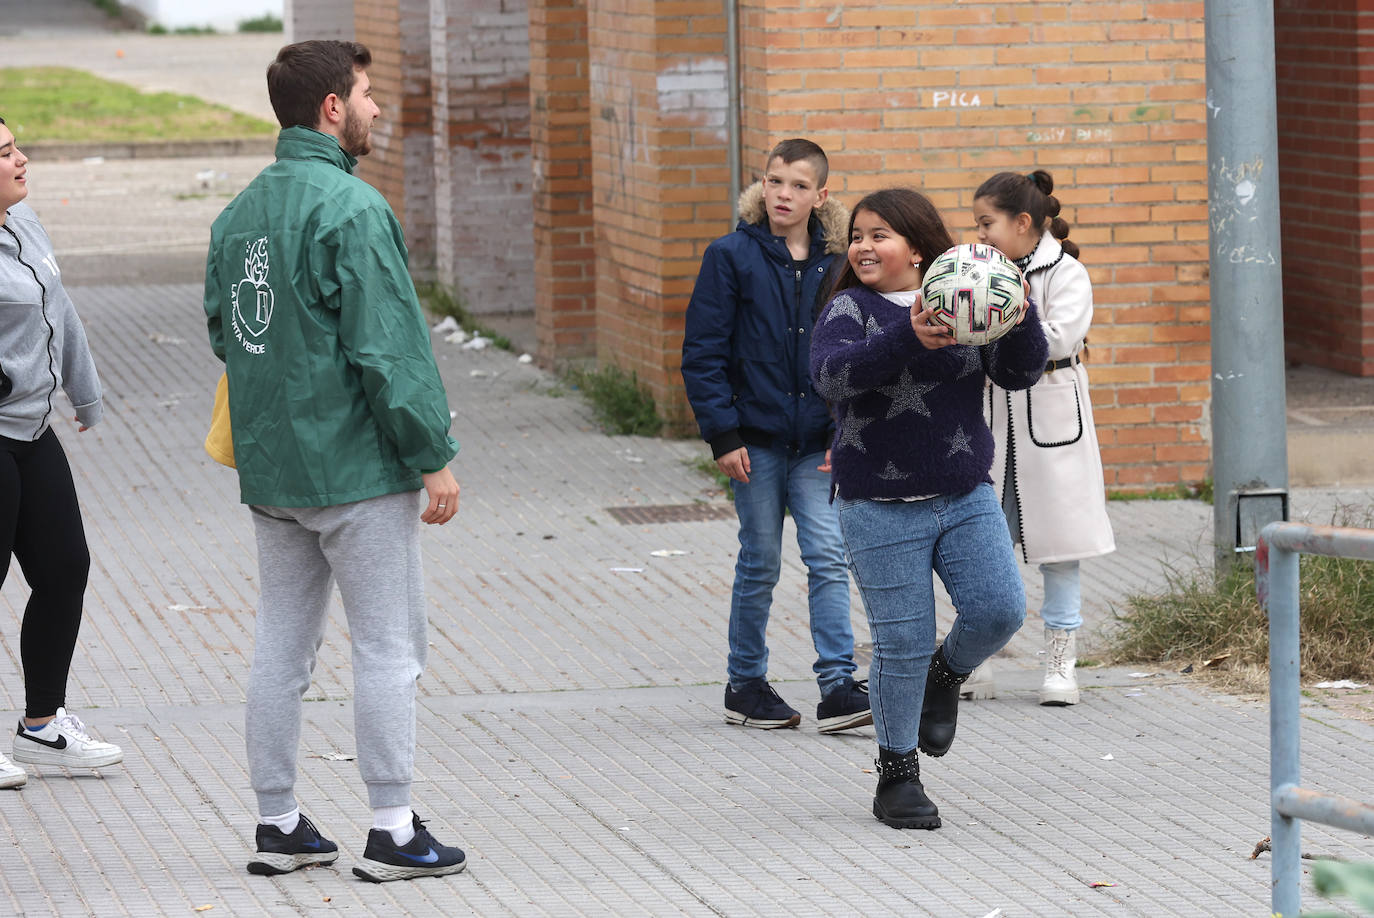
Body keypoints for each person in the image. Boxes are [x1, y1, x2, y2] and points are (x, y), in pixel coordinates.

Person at [203, 41, 466, 881]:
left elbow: (226, 333)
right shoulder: (352, 209)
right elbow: (390, 350)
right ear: (330, 109)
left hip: (274, 472)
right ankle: (392, 828)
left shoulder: (238, 212)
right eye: (365, 93)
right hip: (357, 471)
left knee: (281, 649)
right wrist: (434, 458)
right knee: (390, 648)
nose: (377, 108)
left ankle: (277, 821)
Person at [809, 188, 1047, 829]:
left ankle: (948, 673)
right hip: (877, 504)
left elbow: (1021, 373)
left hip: (964, 493)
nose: (863, 246)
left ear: (917, 247)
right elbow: (829, 378)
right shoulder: (849, 310)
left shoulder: (966, 296)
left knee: (1001, 610)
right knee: (901, 640)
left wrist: (1016, 307)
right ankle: (897, 777)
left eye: (879, 234)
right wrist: (908, 338)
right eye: (856, 235)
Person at [681, 139, 871, 733]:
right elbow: (703, 354)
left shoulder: (838, 264)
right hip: (755, 443)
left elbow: (859, 353)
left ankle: (839, 685)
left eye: (796, 185)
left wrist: (848, 433)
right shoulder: (730, 256)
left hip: (818, 443)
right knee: (760, 561)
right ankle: (745, 683)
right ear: (761, 186)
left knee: (828, 558)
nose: (782, 194)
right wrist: (723, 435)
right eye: (773, 181)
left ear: (820, 195)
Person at [0, 117, 124, 790]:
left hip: (31, 430)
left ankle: (43, 727)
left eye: (16, 146)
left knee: (65, 567)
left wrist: (86, 392)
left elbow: (62, 306)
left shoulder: (25, 222)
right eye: (6, 153)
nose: (22, 159)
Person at [973, 170, 1115, 706]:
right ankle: (978, 660)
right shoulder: (980, 268)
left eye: (987, 223)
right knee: (985, 548)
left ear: (1023, 222)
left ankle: (1061, 663)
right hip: (992, 422)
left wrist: (1002, 313)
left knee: (1061, 549)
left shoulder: (1068, 273)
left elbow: (1058, 336)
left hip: (1053, 417)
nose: (980, 234)